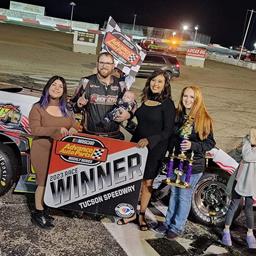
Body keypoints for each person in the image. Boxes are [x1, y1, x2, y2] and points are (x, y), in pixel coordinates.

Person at [117, 69, 176, 230]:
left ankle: (141, 215)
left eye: (160, 82)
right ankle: (131, 213)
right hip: (137, 146)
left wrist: (149, 140)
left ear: (165, 86)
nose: (156, 84)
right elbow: (139, 120)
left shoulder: (168, 105)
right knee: (133, 180)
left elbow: (167, 131)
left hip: (154, 148)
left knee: (147, 182)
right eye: (154, 80)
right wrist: (127, 116)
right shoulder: (145, 99)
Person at [155, 85, 215, 239]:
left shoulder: (204, 118)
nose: (187, 100)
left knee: (184, 196)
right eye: (185, 96)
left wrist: (193, 145)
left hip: (193, 166)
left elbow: (210, 143)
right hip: (176, 162)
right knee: (174, 193)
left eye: (191, 97)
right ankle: (168, 223)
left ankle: (177, 227)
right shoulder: (177, 115)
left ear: (197, 99)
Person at [29, 75, 78, 229]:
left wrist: (73, 128)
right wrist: (55, 130)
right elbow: (35, 129)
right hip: (42, 149)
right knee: (42, 182)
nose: (57, 88)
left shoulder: (67, 109)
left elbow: (76, 125)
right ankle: (38, 213)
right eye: (54, 85)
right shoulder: (38, 107)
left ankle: (46, 208)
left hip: (60, 152)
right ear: (48, 87)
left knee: (54, 180)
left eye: (60, 86)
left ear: (63, 91)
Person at [70, 52, 132, 140]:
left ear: (113, 65)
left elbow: (133, 104)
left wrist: (128, 115)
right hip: (90, 135)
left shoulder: (121, 84)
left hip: (114, 136)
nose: (104, 66)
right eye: (101, 62)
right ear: (97, 64)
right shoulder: (86, 82)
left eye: (108, 63)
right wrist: (78, 105)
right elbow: (70, 106)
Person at [222, 128, 256, 249]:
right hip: (240, 181)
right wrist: (247, 143)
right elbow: (247, 156)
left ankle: (250, 234)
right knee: (234, 205)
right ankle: (226, 231)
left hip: (252, 183)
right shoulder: (246, 142)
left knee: (249, 208)